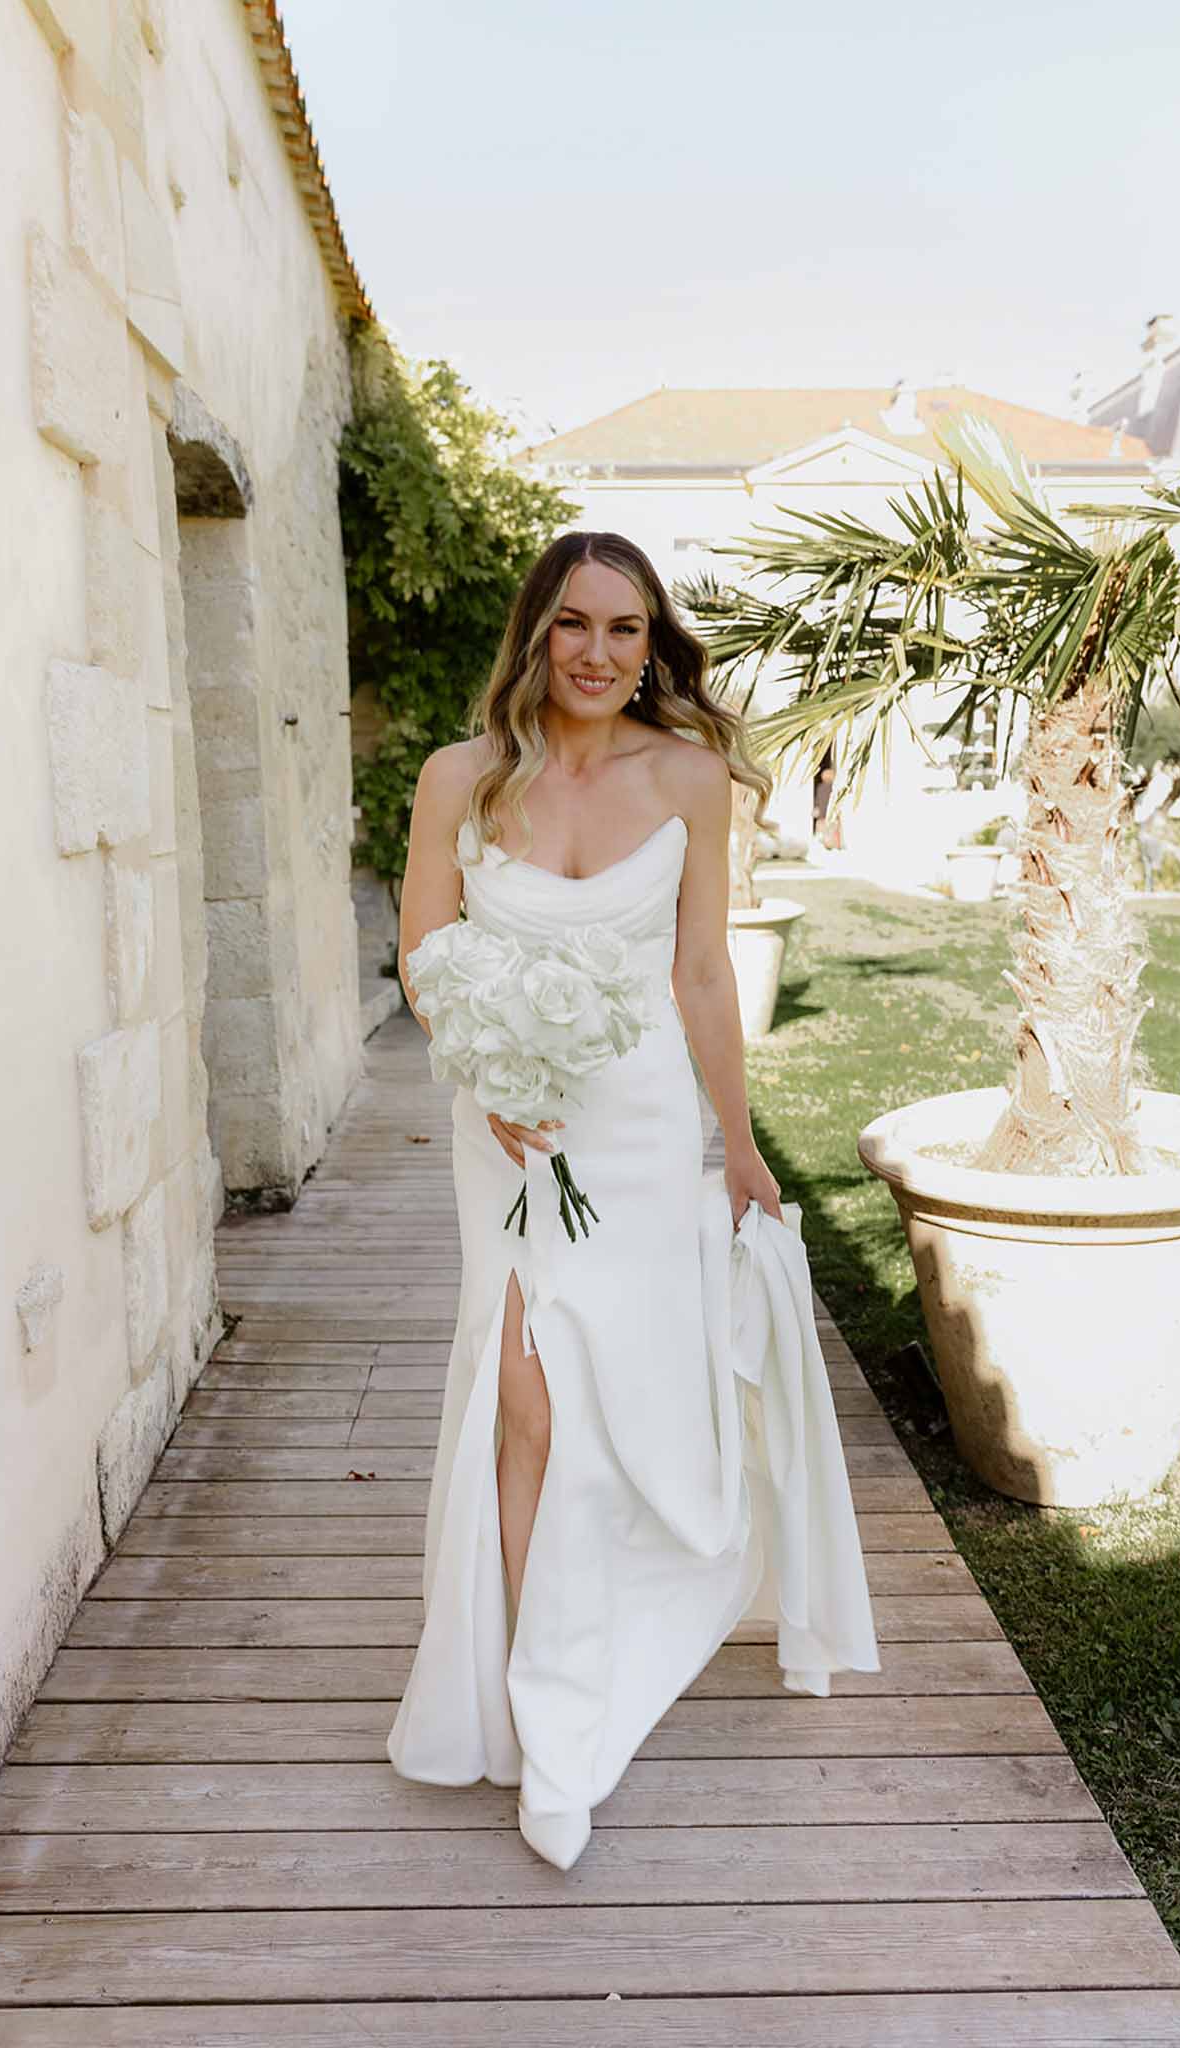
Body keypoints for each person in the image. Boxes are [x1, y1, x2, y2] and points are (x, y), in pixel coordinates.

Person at [385, 531, 878, 1868]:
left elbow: (702, 973)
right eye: (572, 626)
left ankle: (594, 1637)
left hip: (649, 1124)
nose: (598, 653)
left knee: (626, 1383)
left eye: (625, 629)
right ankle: (537, 1699)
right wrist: (483, 1074)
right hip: (513, 1130)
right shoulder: (459, 779)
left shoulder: (691, 778)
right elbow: (425, 949)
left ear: (653, 644)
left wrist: (740, 1142)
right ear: (533, 637)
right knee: (526, 1397)